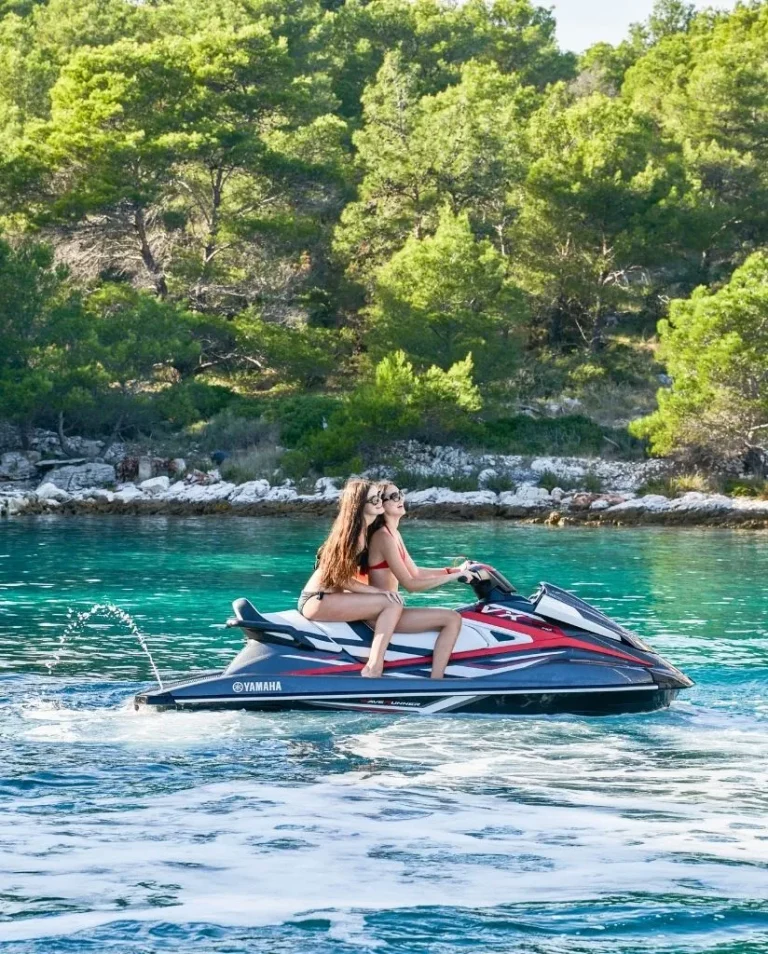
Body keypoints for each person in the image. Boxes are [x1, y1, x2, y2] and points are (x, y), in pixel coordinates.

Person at [366, 482, 474, 679]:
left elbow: (415, 572)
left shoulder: (394, 534)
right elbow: (411, 584)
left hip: (391, 610)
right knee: (451, 618)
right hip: (381, 615)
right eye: (394, 497)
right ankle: (436, 683)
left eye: (400, 494)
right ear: (382, 506)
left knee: (453, 616)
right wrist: (454, 577)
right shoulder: (383, 537)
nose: (401, 499)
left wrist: (453, 569)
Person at [298, 478, 404, 678]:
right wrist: (379, 592)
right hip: (317, 599)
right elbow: (340, 578)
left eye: (379, 497)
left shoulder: (362, 531)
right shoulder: (356, 536)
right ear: (359, 506)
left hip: (325, 597)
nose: (379, 502)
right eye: (373, 500)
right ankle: (374, 666)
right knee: (391, 604)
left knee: (386, 601)